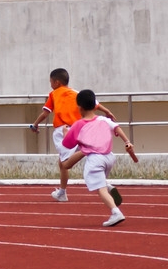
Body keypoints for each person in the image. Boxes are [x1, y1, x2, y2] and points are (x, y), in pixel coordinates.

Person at [30, 68, 115, 202]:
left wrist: (35, 124)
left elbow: (45, 113)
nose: (50, 84)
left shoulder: (53, 94)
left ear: (56, 82)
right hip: (81, 128)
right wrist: (108, 111)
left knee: (65, 163)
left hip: (63, 130)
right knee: (77, 158)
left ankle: (66, 192)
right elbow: (94, 104)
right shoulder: (76, 93)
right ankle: (64, 191)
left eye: (50, 82)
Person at [60, 89, 133, 227]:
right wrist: (127, 142)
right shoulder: (103, 119)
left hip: (95, 159)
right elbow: (117, 127)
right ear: (94, 105)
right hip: (109, 157)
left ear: (79, 107)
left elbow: (67, 144)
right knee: (100, 182)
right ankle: (108, 187)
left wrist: (65, 132)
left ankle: (115, 212)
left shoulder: (78, 125)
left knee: (100, 188)